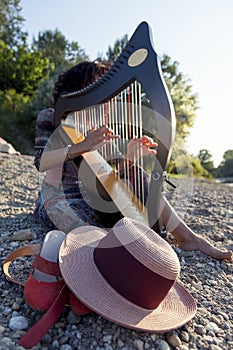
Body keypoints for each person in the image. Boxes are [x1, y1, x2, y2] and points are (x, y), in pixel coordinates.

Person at [34, 60, 232, 262]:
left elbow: (108, 178)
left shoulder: (99, 128)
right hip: (60, 199)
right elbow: (42, 162)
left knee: (136, 174)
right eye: (98, 88)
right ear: (81, 89)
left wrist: (129, 157)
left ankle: (187, 237)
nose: (108, 99)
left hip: (91, 198)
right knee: (90, 227)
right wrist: (81, 146)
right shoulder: (52, 117)